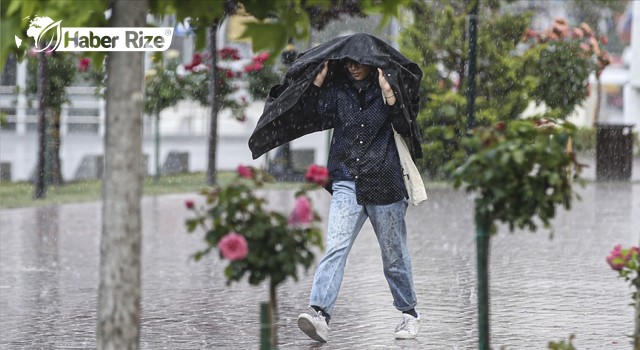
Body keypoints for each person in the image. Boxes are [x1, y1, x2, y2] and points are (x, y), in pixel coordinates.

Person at [294, 58, 421, 342]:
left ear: (372, 63)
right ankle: (319, 314)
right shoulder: (338, 90)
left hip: (385, 183)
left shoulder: (388, 89)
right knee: (336, 247)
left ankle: (409, 313)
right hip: (346, 181)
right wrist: (318, 80)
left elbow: (406, 125)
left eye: (358, 63)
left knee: (394, 255)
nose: (353, 68)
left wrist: (388, 92)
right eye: (348, 63)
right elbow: (312, 117)